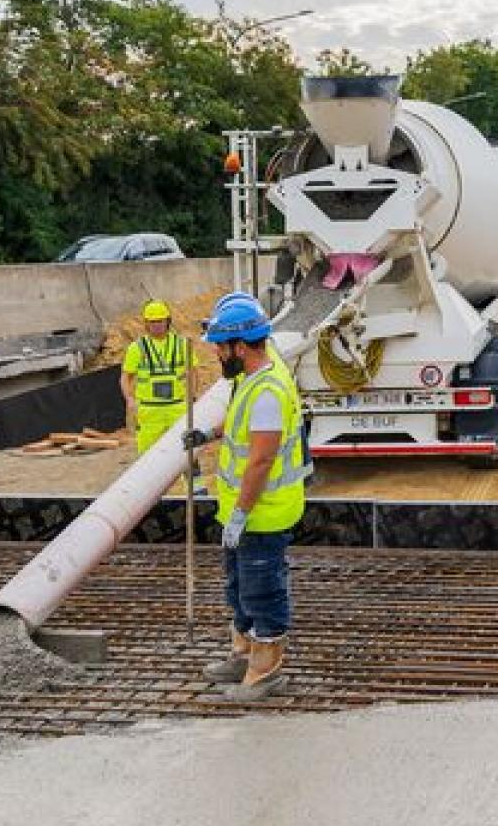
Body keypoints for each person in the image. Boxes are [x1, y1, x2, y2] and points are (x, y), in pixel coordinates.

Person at [183, 294, 307, 702]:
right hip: (243, 512)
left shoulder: (269, 391)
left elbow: (260, 461)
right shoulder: (249, 382)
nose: (218, 354)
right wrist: (208, 435)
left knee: (262, 590)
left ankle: (266, 669)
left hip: (262, 514)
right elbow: (240, 429)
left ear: (240, 346)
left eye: (221, 346)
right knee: (239, 587)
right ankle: (243, 653)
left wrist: (240, 514)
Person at [120, 300, 191, 454]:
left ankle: (192, 479)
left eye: (160, 321)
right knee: (148, 455)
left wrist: (193, 394)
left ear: (168, 321)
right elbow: (126, 377)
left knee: (185, 453)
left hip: (177, 408)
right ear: (146, 324)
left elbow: (193, 371)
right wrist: (129, 399)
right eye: (152, 322)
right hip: (149, 411)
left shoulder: (181, 344)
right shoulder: (137, 347)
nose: (157, 325)